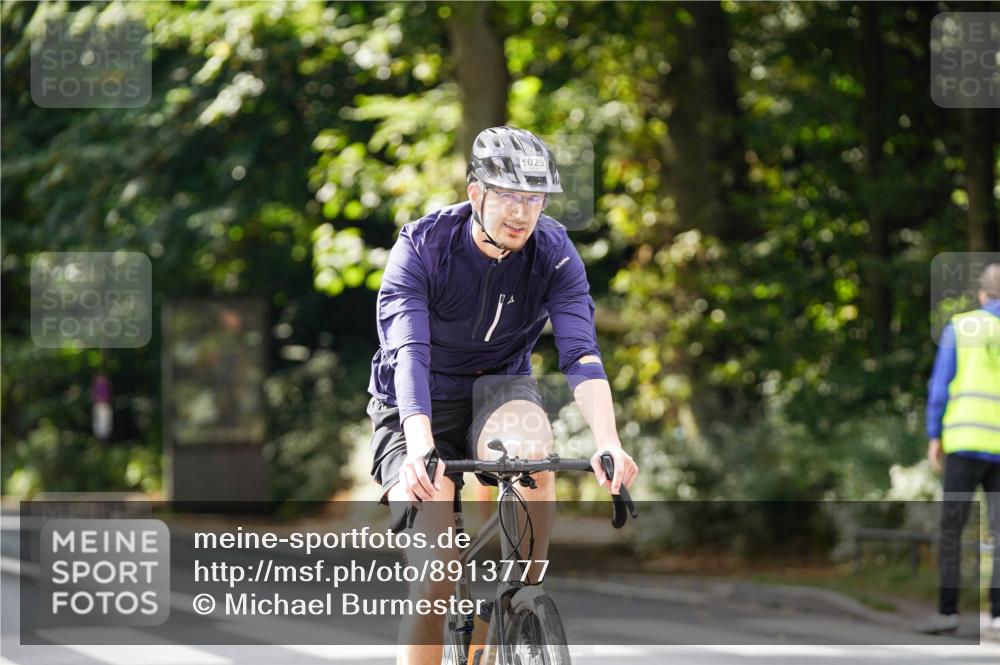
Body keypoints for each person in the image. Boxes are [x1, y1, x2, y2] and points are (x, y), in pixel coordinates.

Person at [366, 126, 639, 664]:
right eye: (509, 196)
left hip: (499, 389)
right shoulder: (422, 248)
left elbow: (581, 355)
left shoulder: (554, 251)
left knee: (534, 448)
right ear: (476, 194)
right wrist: (421, 445)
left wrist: (608, 440)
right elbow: (410, 358)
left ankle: (520, 600)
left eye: (534, 199)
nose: (522, 212)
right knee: (435, 580)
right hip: (416, 402)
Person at [921, 262, 1000, 635]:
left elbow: (941, 387)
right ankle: (999, 616)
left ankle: (947, 612)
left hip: (964, 444)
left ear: (982, 295)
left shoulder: (962, 326)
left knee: (952, 528)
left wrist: (935, 435)